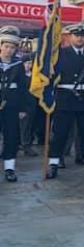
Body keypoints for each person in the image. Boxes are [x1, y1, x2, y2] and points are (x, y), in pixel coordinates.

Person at [46, 24, 84, 179]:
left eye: (82, 35)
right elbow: (50, 79)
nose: (79, 38)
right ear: (70, 37)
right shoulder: (59, 54)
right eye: (76, 35)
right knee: (60, 133)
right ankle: (53, 162)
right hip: (66, 98)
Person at [0, 27, 27, 182]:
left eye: (12, 47)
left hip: (11, 106)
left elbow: (23, 88)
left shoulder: (17, 65)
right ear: (1, 46)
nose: (9, 50)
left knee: (11, 136)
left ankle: (9, 168)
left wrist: (22, 108)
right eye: (6, 46)